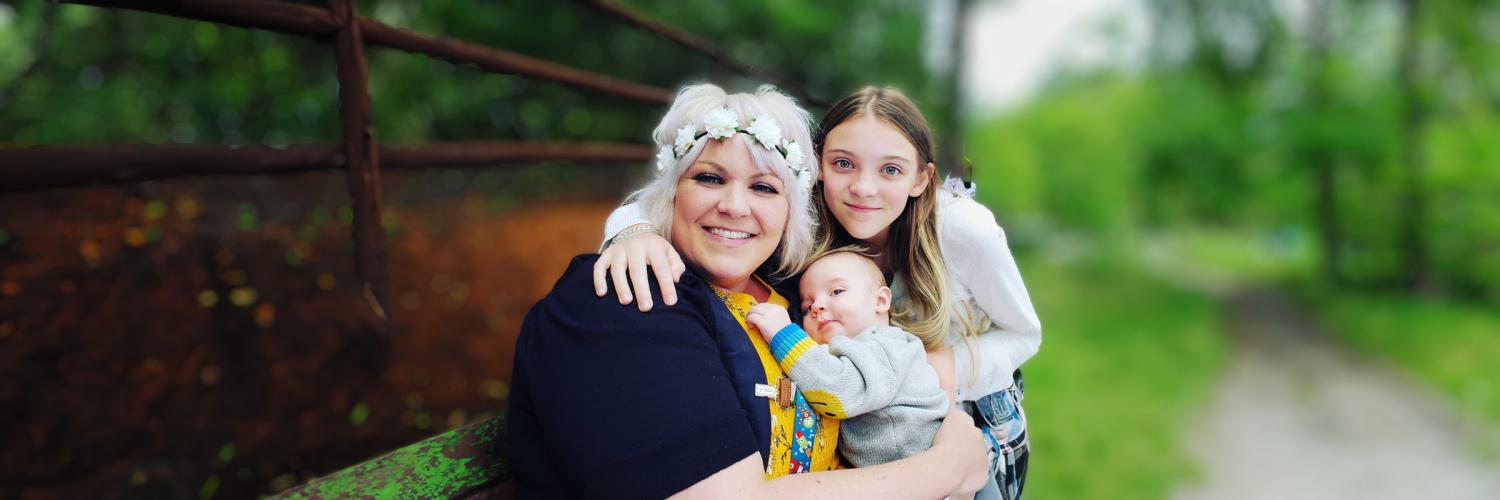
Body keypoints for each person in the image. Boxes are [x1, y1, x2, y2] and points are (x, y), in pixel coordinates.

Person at [507, 83, 990, 499]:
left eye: (764, 188)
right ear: (672, 189)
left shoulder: (790, 292)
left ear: (792, 211)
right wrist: (946, 467)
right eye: (709, 178)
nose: (735, 206)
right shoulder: (625, 302)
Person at [743, 246, 947, 469]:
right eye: (806, 307)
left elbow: (840, 388)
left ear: (880, 301)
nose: (817, 307)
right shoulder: (858, 349)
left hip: (921, 470)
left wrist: (784, 335)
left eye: (837, 292)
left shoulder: (886, 347)